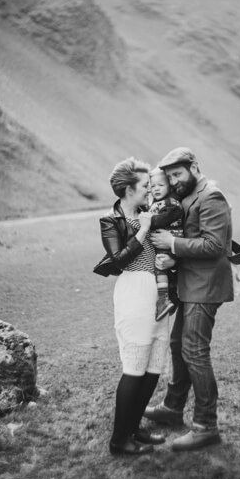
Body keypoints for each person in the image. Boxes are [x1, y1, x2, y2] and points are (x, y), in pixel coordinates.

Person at [145, 147, 234, 451]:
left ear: (194, 166)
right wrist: (173, 258)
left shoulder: (211, 196)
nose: (174, 181)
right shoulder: (187, 195)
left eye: (178, 174)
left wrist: (172, 243)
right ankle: (172, 409)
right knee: (176, 344)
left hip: (205, 286)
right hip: (190, 282)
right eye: (169, 176)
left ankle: (206, 426)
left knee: (195, 350)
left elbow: (214, 245)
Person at [99, 157, 170, 455]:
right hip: (134, 292)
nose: (149, 190)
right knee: (134, 369)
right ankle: (119, 440)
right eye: (144, 185)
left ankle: (134, 428)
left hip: (160, 293)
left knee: (154, 367)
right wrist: (142, 230)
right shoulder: (110, 221)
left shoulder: (151, 212)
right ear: (128, 189)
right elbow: (118, 261)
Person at [147, 168, 184, 321]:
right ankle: (173, 297)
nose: (156, 189)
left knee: (159, 266)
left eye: (160, 185)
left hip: (170, 241)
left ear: (169, 186)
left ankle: (163, 300)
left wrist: (148, 221)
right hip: (163, 242)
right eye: (153, 186)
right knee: (165, 271)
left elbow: (162, 219)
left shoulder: (172, 203)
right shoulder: (158, 202)